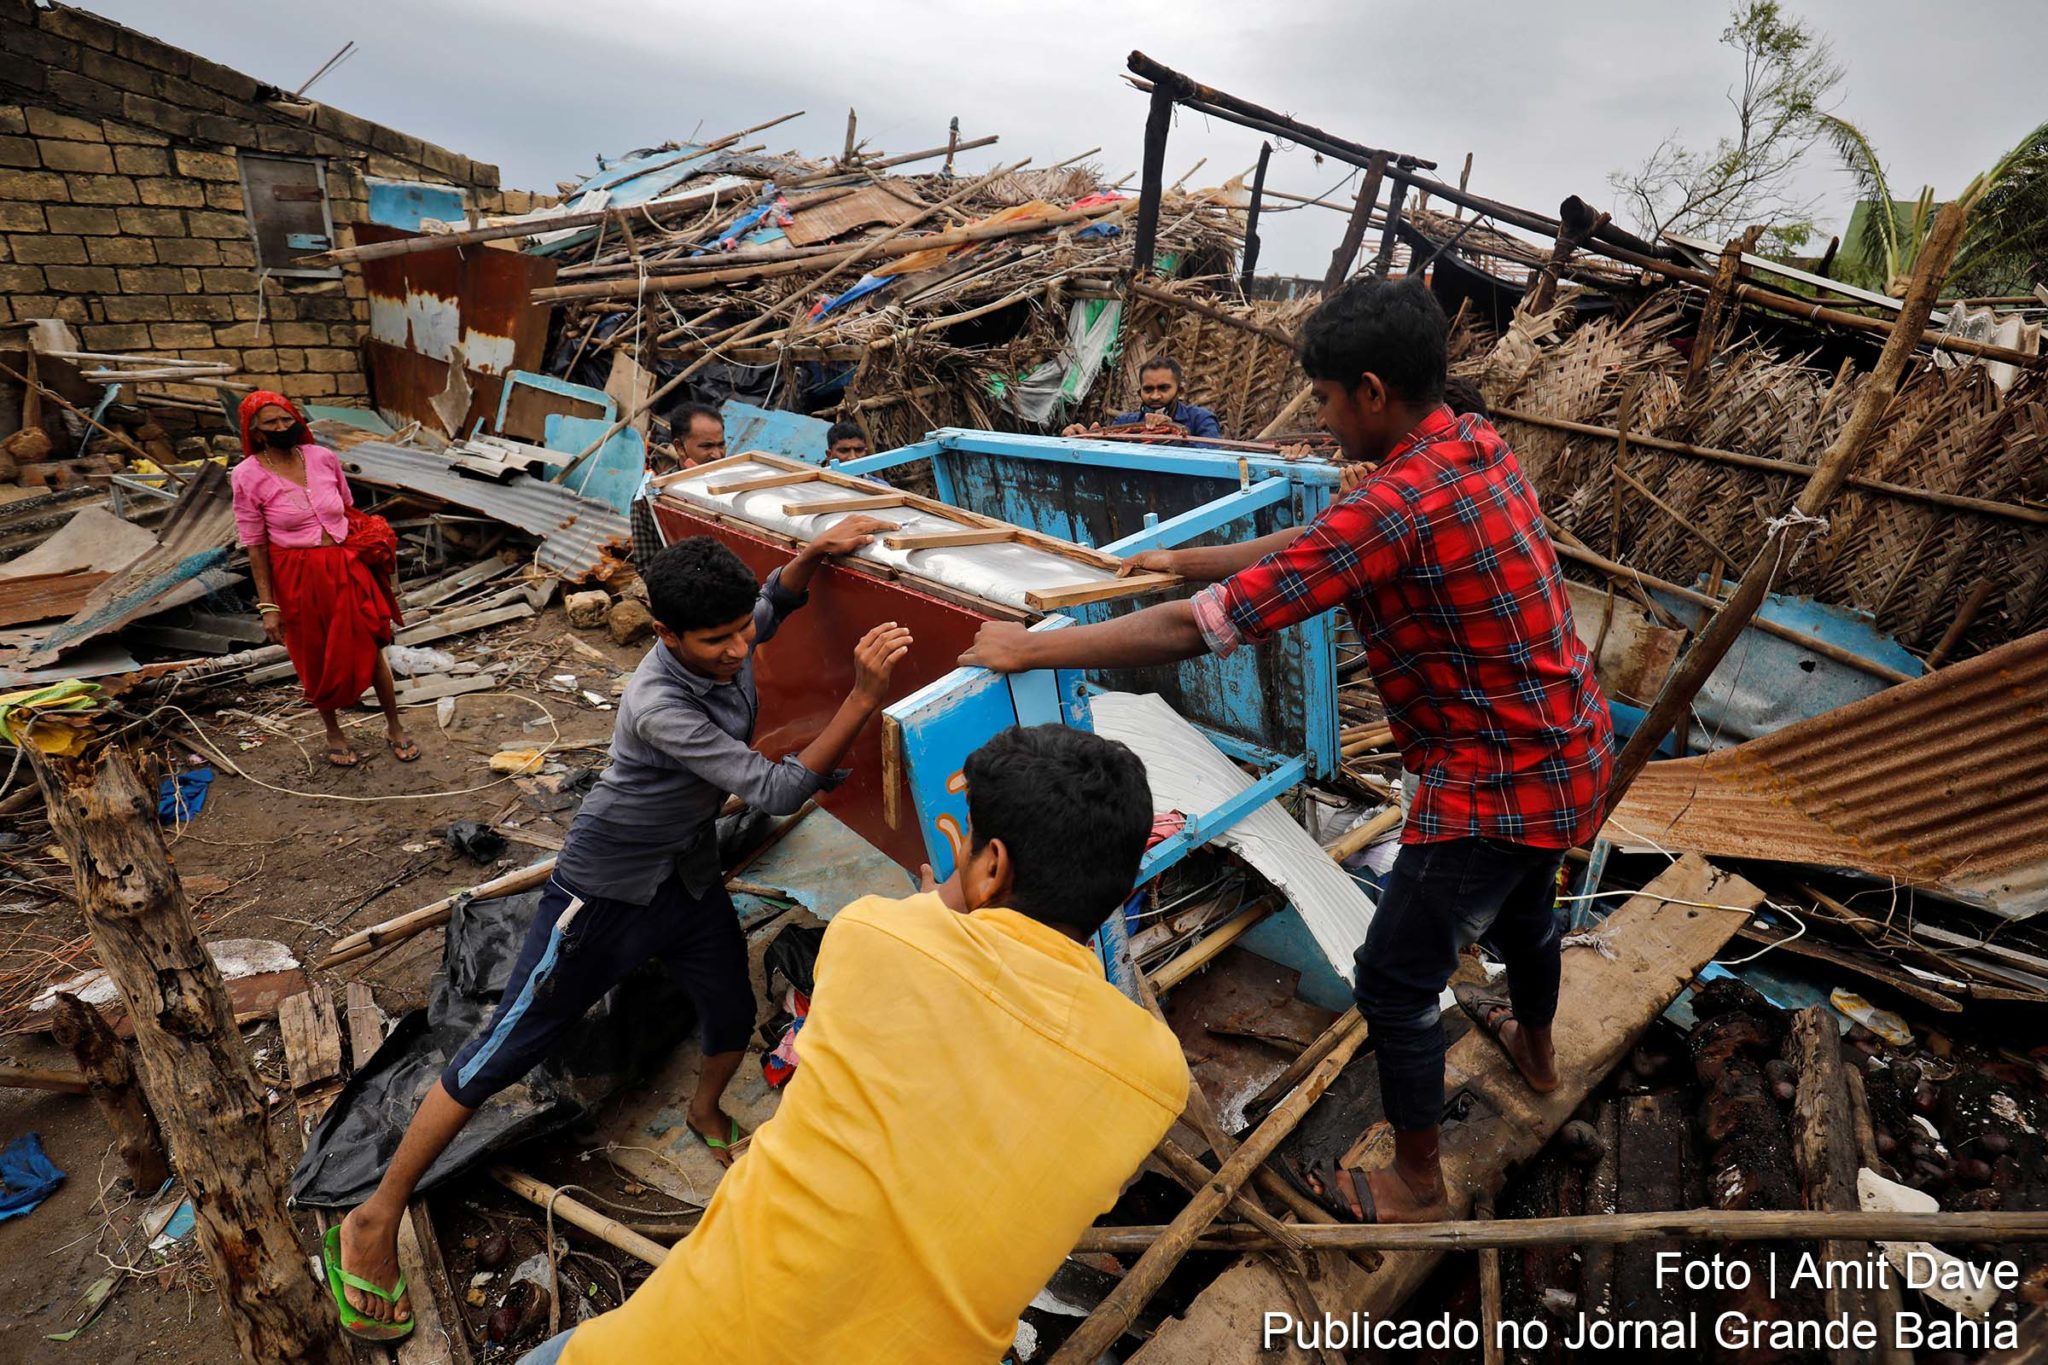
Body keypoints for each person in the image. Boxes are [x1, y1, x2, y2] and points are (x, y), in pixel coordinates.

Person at [963, 278, 1613, 1226]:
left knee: (1395, 979)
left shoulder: (1392, 504)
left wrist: (1030, 646)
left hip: (1493, 783)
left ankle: (1418, 1186)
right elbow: (1326, 543)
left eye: (1322, 395)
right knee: (1524, 917)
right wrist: (1179, 556)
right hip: (1568, 748)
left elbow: (1200, 631)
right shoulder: (1471, 448)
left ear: (1374, 391)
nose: (1317, 414)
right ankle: (1540, 1052)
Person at [332, 521, 910, 1342]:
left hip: (685, 875)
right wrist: (860, 694)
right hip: (601, 894)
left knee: (730, 1010)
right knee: (502, 1049)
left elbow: (771, 605)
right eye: (717, 639)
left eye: (743, 627)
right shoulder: (658, 701)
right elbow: (778, 790)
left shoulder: (731, 632)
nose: (741, 648)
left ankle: (707, 1111)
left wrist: (813, 555)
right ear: (667, 634)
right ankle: (375, 1213)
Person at [514, 723, 1190, 1365]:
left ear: (991, 866)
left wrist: (942, 908)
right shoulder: (1155, 1074)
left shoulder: (878, 934)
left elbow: (927, 946)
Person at [230, 391, 414, 768]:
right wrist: (268, 606)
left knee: (370, 639)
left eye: (287, 420)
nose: (283, 428)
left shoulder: (322, 457)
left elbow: (346, 509)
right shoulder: (247, 475)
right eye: (272, 424)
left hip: (346, 566)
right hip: (296, 575)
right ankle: (333, 731)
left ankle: (394, 725)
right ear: (257, 432)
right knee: (314, 652)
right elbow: (255, 545)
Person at [1062, 356, 1221, 440]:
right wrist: (1082, 438)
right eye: (1148, 389)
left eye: (1163, 388)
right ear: (1140, 393)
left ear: (1179, 390)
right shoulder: (1124, 423)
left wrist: (1171, 431)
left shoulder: (1201, 419)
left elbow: (1211, 456)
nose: (1155, 396)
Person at [670, 401, 727, 467]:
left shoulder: (737, 474)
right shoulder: (667, 477)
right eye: (707, 446)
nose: (718, 455)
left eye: (721, 445)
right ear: (680, 447)